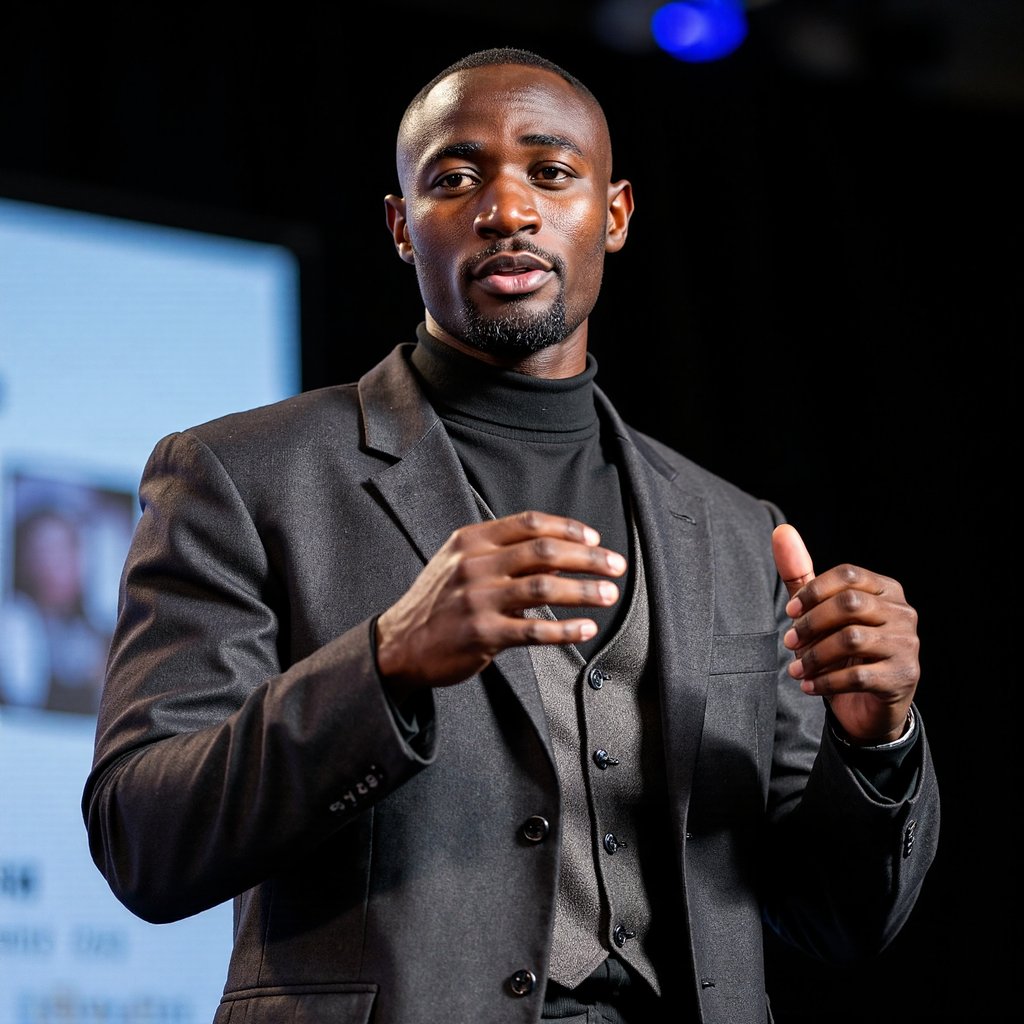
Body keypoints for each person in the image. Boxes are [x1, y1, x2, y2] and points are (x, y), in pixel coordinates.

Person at [83, 47, 939, 1024]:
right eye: (455, 178)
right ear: (403, 229)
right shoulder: (240, 475)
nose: (506, 210)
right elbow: (140, 839)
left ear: (612, 215)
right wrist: (385, 662)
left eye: (550, 171)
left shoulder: (738, 532)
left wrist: (877, 742)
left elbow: (841, 920)